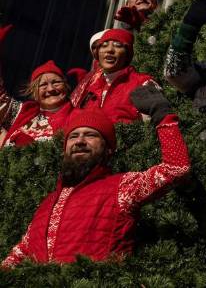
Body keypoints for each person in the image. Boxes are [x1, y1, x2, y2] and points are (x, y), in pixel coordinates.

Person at [2, 104, 190, 267]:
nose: (80, 141)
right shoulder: (46, 205)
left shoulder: (122, 188)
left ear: (108, 149)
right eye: (73, 136)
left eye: (90, 135)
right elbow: (18, 255)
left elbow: (175, 169)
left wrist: (164, 117)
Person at [70, 29, 165, 124]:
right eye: (104, 46)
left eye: (118, 45)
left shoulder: (142, 83)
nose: (109, 50)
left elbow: (159, 120)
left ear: (127, 54)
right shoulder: (90, 86)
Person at [0, 60, 72, 147]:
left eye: (56, 82)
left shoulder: (75, 117)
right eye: (43, 85)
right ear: (34, 92)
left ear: (66, 86)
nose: (51, 89)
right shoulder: (25, 112)